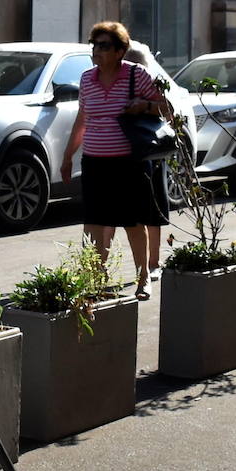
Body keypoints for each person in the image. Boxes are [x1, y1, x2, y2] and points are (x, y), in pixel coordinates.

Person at [59, 21, 172, 300]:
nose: (96, 51)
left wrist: (143, 106)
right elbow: (82, 118)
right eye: (94, 45)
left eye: (104, 46)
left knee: (133, 222)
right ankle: (95, 278)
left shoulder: (137, 75)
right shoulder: (87, 78)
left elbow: (167, 109)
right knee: (95, 221)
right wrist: (67, 156)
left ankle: (142, 277)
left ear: (121, 50)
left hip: (129, 162)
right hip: (95, 162)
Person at [123, 42, 170, 281]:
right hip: (126, 154)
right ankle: (149, 263)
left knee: (153, 210)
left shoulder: (151, 85)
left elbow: (169, 110)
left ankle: (154, 262)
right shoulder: (116, 84)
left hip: (150, 153)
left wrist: (144, 105)